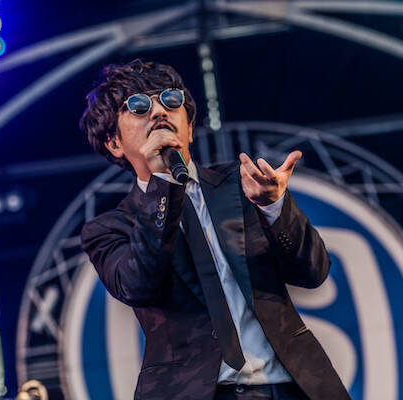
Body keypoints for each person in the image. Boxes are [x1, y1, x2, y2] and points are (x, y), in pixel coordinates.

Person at [79, 59, 349, 400]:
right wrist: (162, 185)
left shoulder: (244, 184)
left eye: (170, 101)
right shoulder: (109, 229)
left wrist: (274, 207)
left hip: (291, 387)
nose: (159, 112)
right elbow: (138, 286)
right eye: (138, 106)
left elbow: (314, 272)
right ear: (113, 143)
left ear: (190, 128)